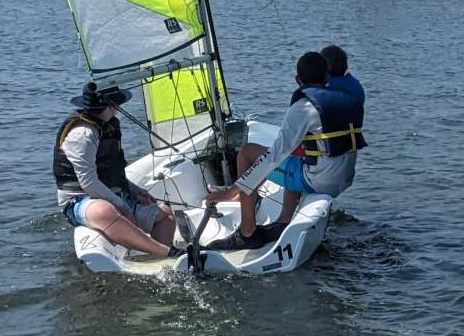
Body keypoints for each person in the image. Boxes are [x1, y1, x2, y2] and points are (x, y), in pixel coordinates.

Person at [203, 51, 365, 250]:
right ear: (327, 77)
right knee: (295, 156)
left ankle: (247, 232)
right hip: (344, 178)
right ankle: (283, 221)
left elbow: (272, 158)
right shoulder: (351, 98)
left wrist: (229, 192)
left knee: (246, 152)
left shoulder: (304, 108)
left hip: (319, 182)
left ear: (298, 80)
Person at [55, 82, 182, 258]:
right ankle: (167, 252)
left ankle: (158, 257)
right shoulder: (83, 134)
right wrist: (123, 207)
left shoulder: (109, 126)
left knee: (165, 213)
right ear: (110, 107)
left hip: (110, 192)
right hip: (78, 198)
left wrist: (136, 191)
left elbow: (112, 172)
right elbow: (88, 182)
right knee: (105, 211)